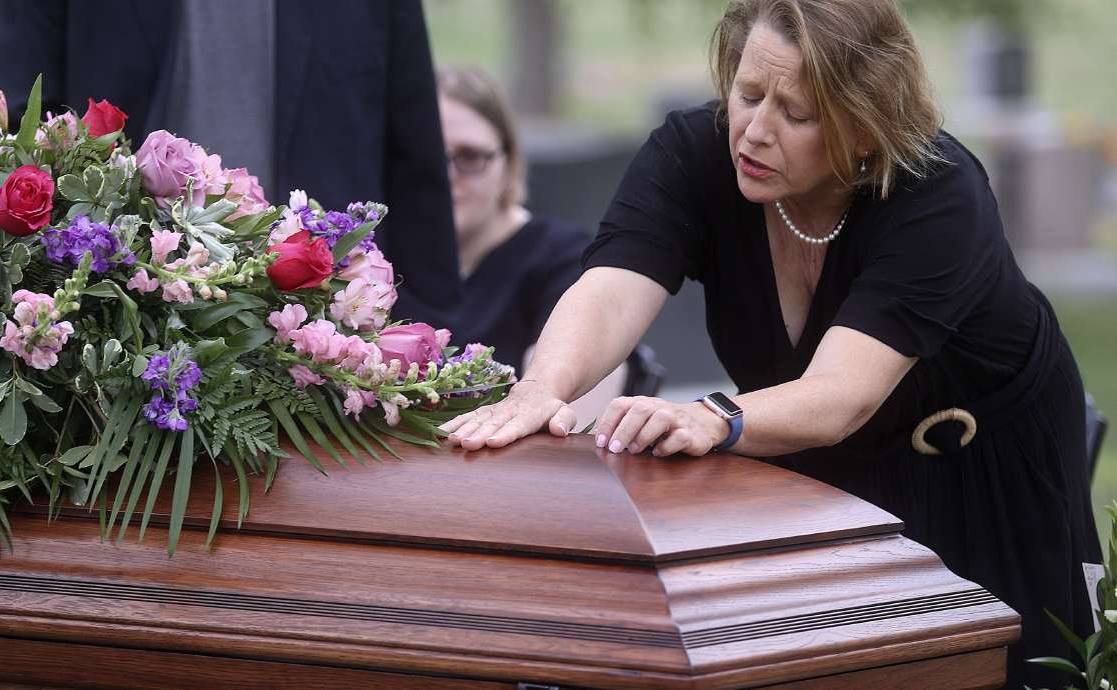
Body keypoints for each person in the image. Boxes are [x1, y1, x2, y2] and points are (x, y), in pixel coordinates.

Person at [441, 1, 1100, 687]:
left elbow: (842, 396)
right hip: (818, 459)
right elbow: (610, 288)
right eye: (748, 93)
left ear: (865, 129)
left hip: (983, 470)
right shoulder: (696, 151)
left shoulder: (937, 191)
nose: (754, 132)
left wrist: (711, 416)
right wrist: (545, 385)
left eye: (796, 113)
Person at [0, 0, 460, 330]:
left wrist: (427, 335)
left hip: (326, 334)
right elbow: (10, 130)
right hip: (105, 326)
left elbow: (413, 160)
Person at [437, 65, 589, 372]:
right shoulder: (374, 263)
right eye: (429, 157)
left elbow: (571, 408)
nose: (446, 175)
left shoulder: (564, 261)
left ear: (509, 163)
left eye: (470, 156)